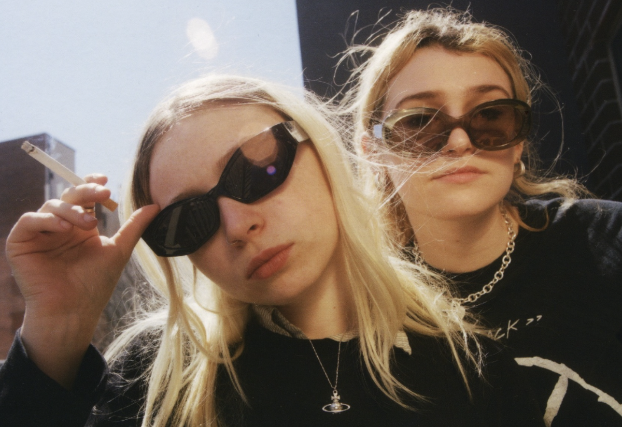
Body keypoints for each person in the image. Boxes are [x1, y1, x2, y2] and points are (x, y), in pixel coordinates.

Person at [0, 75, 544, 426]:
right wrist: (58, 328)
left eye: (257, 170)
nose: (238, 225)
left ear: (321, 149)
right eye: (188, 221)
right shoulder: (157, 379)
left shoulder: (475, 370)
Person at [343, 7, 622, 427]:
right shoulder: (362, 310)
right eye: (419, 121)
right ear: (374, 151)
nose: (459, 142)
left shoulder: (608, 240)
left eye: (491, 115)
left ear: (519, 141)